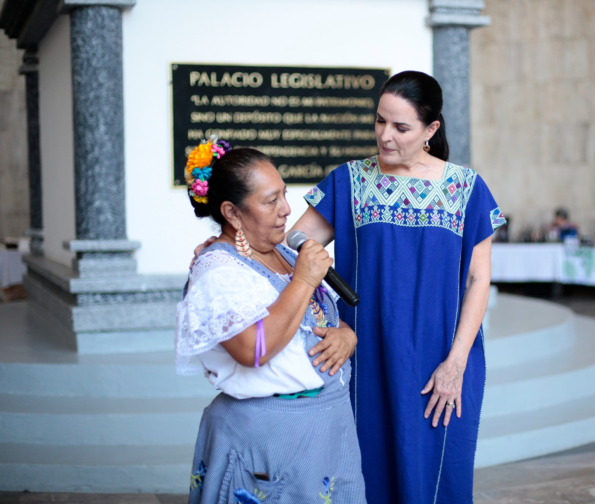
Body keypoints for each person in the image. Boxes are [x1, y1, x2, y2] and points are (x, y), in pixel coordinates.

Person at [293, 71, 506, 503]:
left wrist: (456, 363)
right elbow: (290, 245)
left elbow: (480, 279)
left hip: (442, 361)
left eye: (401, 127)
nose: (385, 136)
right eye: (379, 121)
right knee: (365, 477)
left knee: (436, 480)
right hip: (365, 356)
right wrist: (233, 240)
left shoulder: (467, 189)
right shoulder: (350, 181)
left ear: (430, 130)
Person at [176, 139, 366, 503]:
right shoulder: (218, 271)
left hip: (327, 430)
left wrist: (346, 335)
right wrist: (305, 279)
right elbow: (253, 349)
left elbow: (312, 321)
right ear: (232, 213)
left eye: (283, 194)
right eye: (270, 201)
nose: (286, 210)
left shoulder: (284, 253)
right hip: (267, 439)